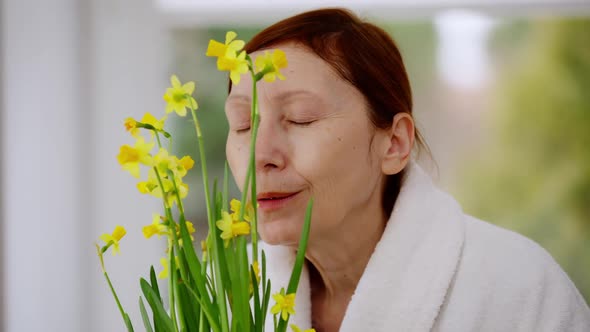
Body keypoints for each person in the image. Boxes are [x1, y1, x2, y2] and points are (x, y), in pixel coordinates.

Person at [224, 8, 590, 332]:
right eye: (242, 124)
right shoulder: (220, 295)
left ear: (395, 143)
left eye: (300, 118)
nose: (260, 154)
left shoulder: (518, 286)